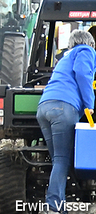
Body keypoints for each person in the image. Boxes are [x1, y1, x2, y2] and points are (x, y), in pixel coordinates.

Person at [36, 29, 96, 214]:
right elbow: (83, 74)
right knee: (62, 160)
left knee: (58, 161)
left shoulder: (64, 57)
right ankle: (53, 206)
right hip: (63, 108)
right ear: (89, 42)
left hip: (44, 107)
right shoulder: (86, 51)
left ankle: (59, 207)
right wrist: (89, 104)